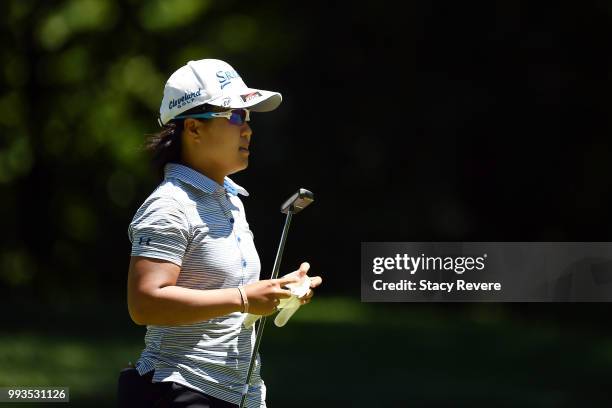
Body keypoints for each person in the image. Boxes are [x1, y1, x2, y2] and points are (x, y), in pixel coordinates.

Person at [117, 59, 322, 408]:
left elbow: (227, 300)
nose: (248, 129)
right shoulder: (170, 204)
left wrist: (273, 293)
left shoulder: (229, 199)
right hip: (180, 389)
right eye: (236, 116)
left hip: (236, 394)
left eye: (249, 117)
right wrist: (243, 298)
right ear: (194, 129)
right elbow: (145, 303)